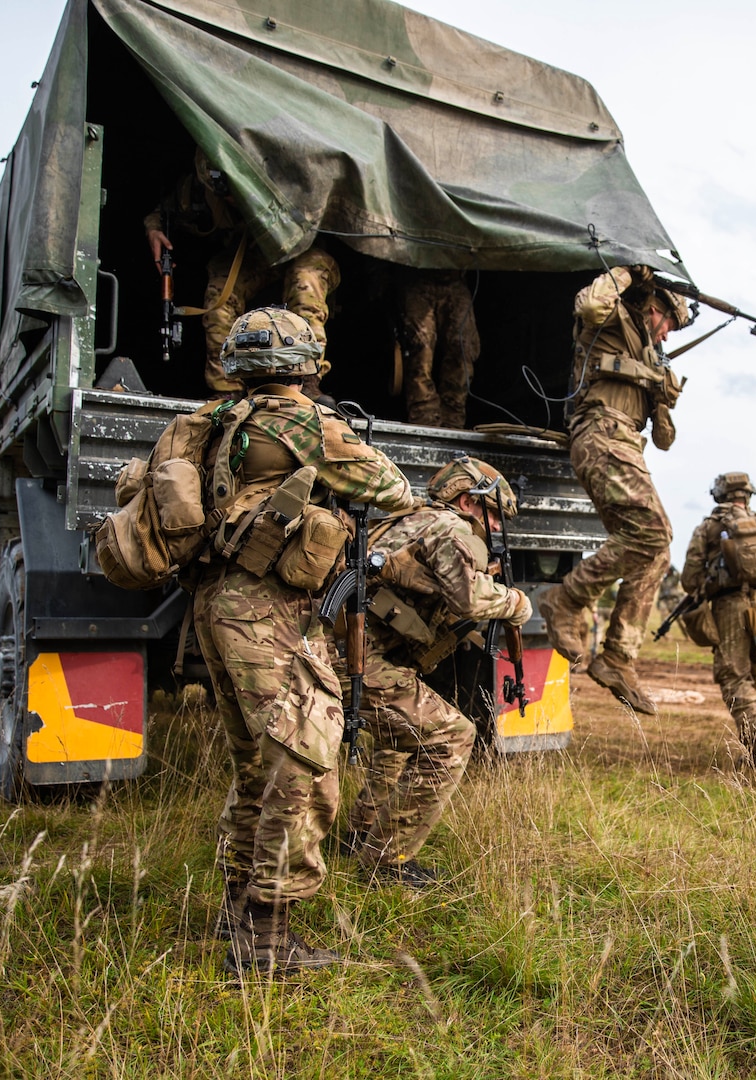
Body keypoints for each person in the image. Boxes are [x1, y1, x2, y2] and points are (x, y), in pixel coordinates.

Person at [164, 307, 418, 974]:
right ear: (310, 362)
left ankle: (235, 918)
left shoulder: (216, 423)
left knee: (256, 765)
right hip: (266, 610)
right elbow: (393, 489)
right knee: (303, 768)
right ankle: (268, 943)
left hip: (216, 604)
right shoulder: (303, 422)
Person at [337, 454, 533, 886]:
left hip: (342, 651)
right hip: (356, 659)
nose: (497, 527)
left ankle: (358, 834)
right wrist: (518, 603)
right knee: (451, 736)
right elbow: (468, 599)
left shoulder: (407, 519)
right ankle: (386, 864)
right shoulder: (451, 528)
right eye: (494, 514)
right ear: (466, 501)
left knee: (398, 736)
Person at [536, 265, 691, 715]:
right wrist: (626, 272)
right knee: (653, 534)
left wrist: (662, 395)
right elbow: (588, 302)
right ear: (654, 307)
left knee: (657, 551)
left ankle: (619, 658)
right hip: (600, 434)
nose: (666, 337)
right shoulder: (613, 318)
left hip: (626, 446)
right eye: (668, 324)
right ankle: (565, 600)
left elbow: (664, 440)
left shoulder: (650, 355)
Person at [145, 149, 341, 401]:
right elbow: (164, 211)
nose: (234, 200)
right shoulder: (198, 193)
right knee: (220, 292)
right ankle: (226, 393)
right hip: (252, 253)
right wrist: (154, 229)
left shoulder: (292, 169)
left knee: (305, 281)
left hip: (303, 250)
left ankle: (308, 382)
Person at [680, 473, 756, 763]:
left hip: (730, 609)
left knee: (734, 679)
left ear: (719, 495)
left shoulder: (709, 528)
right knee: (751, 678)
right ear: (748, 495)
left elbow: (689, 579)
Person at [394, 269, 480, 429]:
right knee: (419, 350)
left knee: (463, 349)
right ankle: (424, 420)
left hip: (456, 278)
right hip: (418, 277)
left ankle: (453, 422)